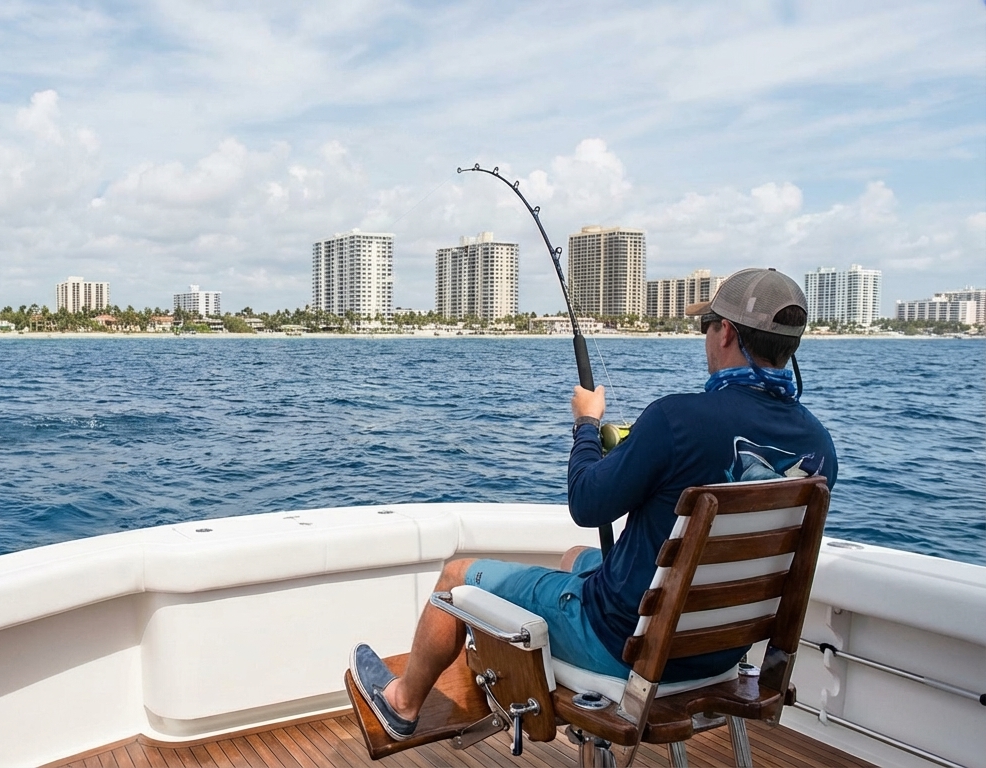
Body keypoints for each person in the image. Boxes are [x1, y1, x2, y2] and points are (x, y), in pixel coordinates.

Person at [350, 267, 838, 740]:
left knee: (456, 577)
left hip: (623, 648)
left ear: (726, 332)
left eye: (706, 325)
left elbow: (587, 504)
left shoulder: (676, 419)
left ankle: (402, 704)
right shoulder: (820, 447)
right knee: (573, 558)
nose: (705, 338)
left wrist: (586, 423)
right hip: (721, 654)